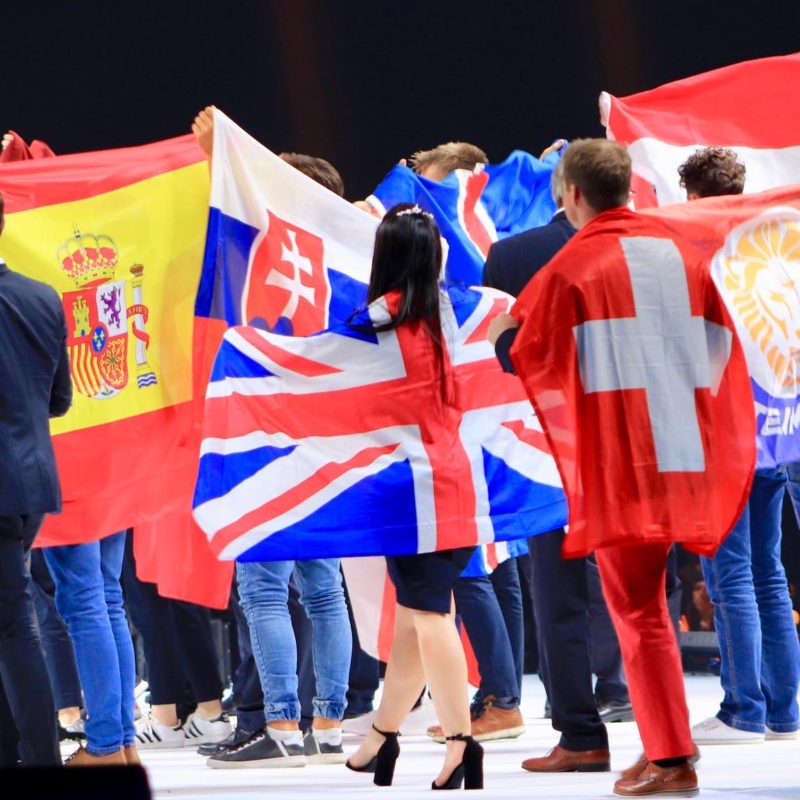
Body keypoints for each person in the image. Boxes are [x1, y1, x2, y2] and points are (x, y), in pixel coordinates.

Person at [490, 138, 756, 796]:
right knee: (651, 609)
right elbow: (720, 345)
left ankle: (670, 761)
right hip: (682, 451)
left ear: (572, 195)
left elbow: (525, 355)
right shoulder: (677, 252)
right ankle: (664, 747)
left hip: (623, 460)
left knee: (638, 612)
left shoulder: (573, 262)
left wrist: (499, 331)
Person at [193, 106, 353, 769]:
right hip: (334, 438)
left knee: (263, 590)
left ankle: (283, 721)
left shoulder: (268, 254)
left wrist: (216, 156)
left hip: (267, 433)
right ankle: (333, 724)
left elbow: (230, 219)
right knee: (324, 588)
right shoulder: (350, 259)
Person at [484, 157, 625, 773]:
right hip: (641, 442)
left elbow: (512, 358)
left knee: (560, 593)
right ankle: (656, 730)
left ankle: (581, 733)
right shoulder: (661, 247)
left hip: (552, 446)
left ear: (567, 191)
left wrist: (504, 340)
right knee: (639, 593)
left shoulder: (517, 255)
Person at [345, 204, 484, 790]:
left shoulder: (376, 318)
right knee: (411, 619)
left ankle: (461, 745)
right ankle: (382, 736)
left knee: (428, 616)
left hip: (407, 488)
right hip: (454, 475)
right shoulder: (455, 309)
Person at [678, 147, 800, 746]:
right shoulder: (772, 249)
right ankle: (783, 712)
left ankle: (744, 710)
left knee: (731, 574)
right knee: (769, 572)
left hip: (727, 432)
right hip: (781, 427)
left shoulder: (702, 254)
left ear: (696, 200)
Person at [0, 190, 72, 767]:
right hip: (31, 481)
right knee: (12, 617)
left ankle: (40, 759)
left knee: (13, 625)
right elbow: (60, 400)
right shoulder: (42, 296)